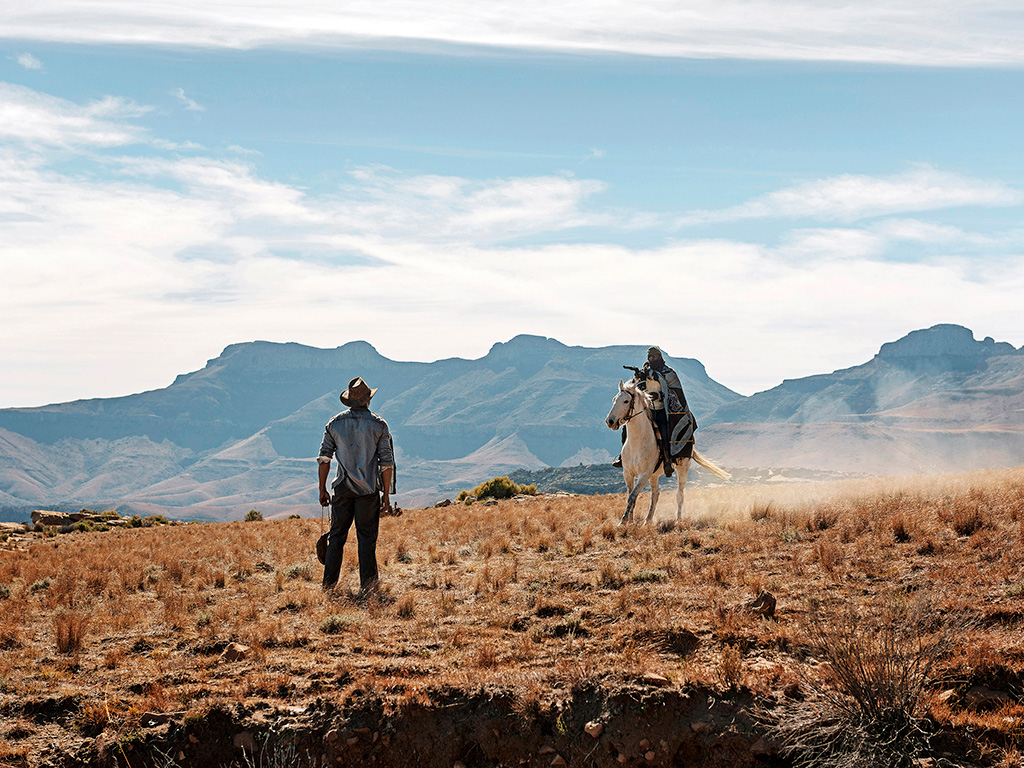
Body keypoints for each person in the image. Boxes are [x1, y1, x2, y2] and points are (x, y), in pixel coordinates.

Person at [317, 376, 395, 593]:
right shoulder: (379, 425)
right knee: (367, 541)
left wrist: (322, 489)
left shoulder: (334, 424)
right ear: (368, 400)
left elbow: (324, 458)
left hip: (342, 488)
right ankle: (369, 589)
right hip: (369, 491)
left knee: (336, 538)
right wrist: (386, 497)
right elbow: (386, 464)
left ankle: (328, 587)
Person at [612, 346, 696, 478]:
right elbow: (636, 390)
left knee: (664, 431)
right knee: (627, 429)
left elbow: (675, 392)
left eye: (655, 357)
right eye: (651, 357)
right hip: (646, 411)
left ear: (660, 357)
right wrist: (637, 378)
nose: (653, 359)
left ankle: (668, 461)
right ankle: (623, 458)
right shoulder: (644, 372)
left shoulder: (668, 373)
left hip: (663, 410)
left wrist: (661, 396)